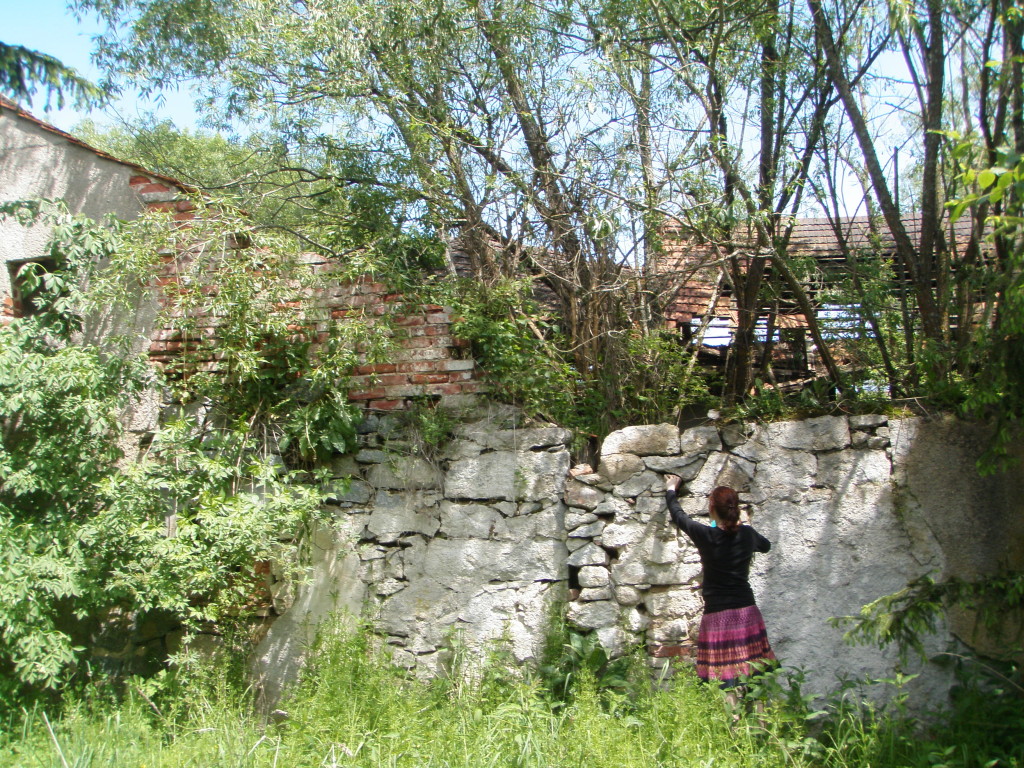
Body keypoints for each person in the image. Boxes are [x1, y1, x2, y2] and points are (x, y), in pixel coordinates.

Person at [664, 475, 777, 695]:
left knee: (725, 678)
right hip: (746, 611)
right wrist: (743, 527)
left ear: (712, 509)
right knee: (755, 673)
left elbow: (679, 516)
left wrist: (671, 489)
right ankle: (760, 716)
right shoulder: (747, 534)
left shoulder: (706, 535)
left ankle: (732, 716)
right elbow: (766, 546)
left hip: (717, 615)